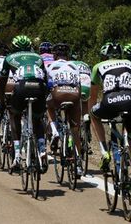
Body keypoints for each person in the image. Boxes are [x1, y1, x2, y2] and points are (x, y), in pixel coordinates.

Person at [0, 35, 48, 171]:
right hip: (39, 87)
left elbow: (3, 82)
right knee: (37, 119)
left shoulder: (9, 58)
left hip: (21, 87)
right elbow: (46, 78)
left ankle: (16, 154)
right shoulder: (38, 57)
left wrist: (2, 100)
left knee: (14, 115)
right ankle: (42, 149)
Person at [89, 42, 131, 171]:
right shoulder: (129, 63)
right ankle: (127, 143)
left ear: (104, 56)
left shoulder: (98, 66)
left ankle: (104, 152)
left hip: (109, 101)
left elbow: (93, 95)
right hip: (129, 100)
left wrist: (90, 109)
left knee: (93, 115)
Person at [45, 43, 83, 175]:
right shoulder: (74, 66)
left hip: (58, 93)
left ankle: (54, 131)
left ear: (54, 55)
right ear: (67, 55)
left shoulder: (50, 66)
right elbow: (80, 85)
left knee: (48, 106)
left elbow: (47, 84)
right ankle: (78, 164)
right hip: (74, 94)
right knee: (75, 130)